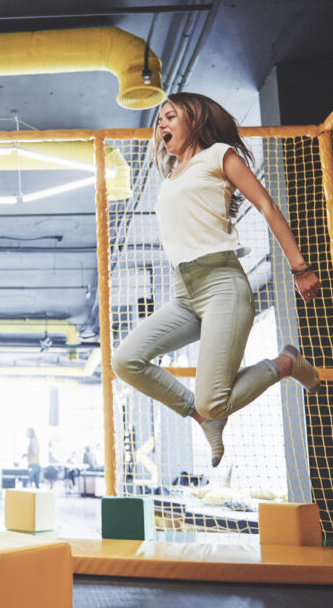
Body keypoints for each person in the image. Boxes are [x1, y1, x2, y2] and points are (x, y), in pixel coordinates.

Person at [111, 92, 322, 468]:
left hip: (222, 285)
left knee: (214, 400)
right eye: (159, 120)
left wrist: (299, 267)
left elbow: (267, 206)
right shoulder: (171, 176)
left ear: (195, 120)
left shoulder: (220, 155)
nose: (161, 125)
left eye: (170, 116)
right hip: (184, 293)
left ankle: (286, 363)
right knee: (125, 360)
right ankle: (201, 415)